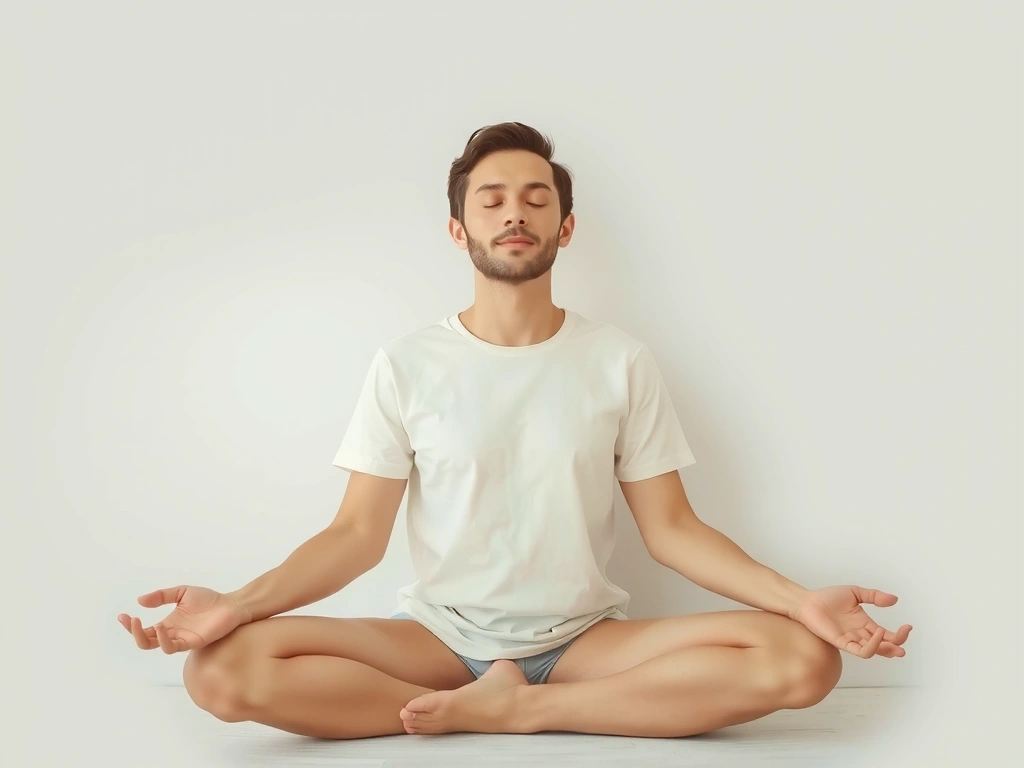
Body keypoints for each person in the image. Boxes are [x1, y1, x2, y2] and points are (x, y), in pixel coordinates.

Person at [118, 122, 912, 740]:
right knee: (219, 675)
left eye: (536, 198)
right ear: (459, 231)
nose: (514, 213)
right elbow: (356, 535)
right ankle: (472, 695)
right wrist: (241, 605)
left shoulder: (619, 362)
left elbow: (673, 531)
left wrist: (801, 599)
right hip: (434, 636)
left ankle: (527, 710)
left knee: (804, 659)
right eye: (491, 199)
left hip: (583, 639)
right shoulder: (406, 364)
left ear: (565, 229)